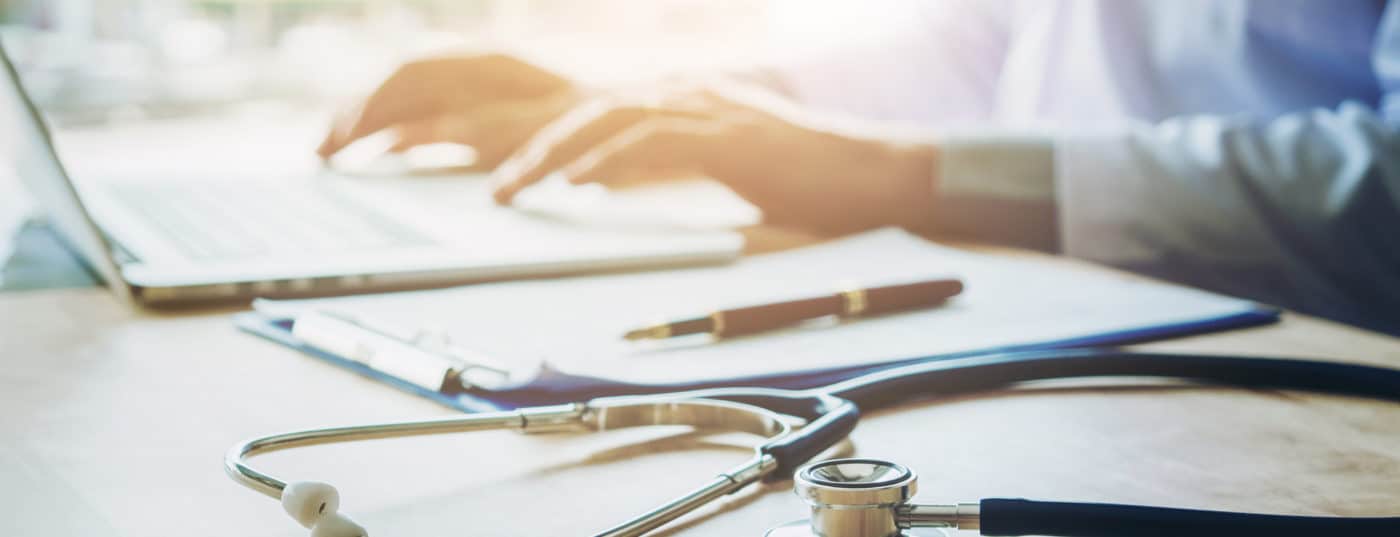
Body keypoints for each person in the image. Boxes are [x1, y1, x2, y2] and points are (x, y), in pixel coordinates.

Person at [317, 1, 1400, 336]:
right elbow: (982, 43)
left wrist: (905, 176)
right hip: (1084, 333)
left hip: (1329, 391)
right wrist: (617, 106)